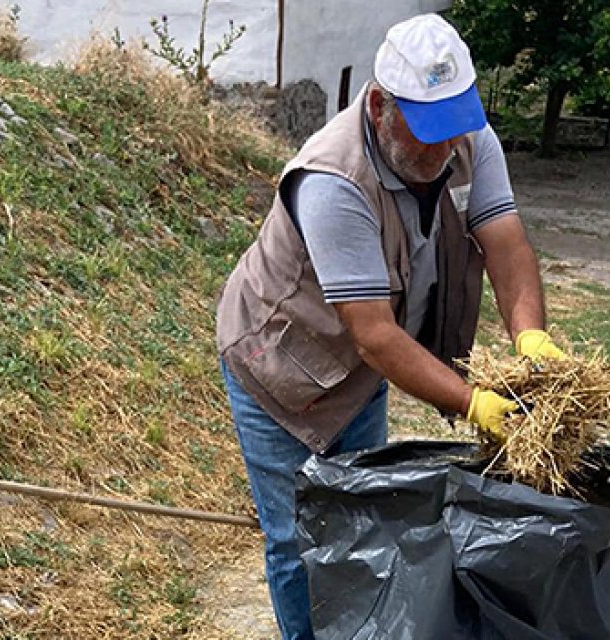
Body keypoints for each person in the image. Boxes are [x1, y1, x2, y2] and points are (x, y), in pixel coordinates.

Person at [215, 13, 565, 640]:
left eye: (450, 129)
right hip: (277, 361)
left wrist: (530, 338)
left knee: (365, 517)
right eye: (424, 132)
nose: (439, 152)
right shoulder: (333, 179)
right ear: (378, 105)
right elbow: (374, 334)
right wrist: (473, 402)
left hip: (357, 367)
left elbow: (507, 245)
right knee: (299, 536)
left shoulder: (467, 138)